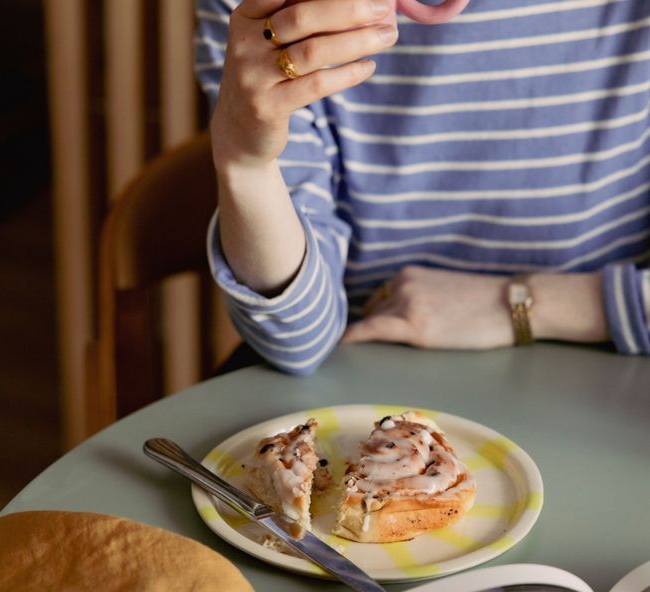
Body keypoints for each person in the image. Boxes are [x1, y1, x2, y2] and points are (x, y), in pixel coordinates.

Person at [194, 0, 650, 374]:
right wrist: (246, 167)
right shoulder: (263, 14)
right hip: (363, 385)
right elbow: (297, 339)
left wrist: (523, 304)